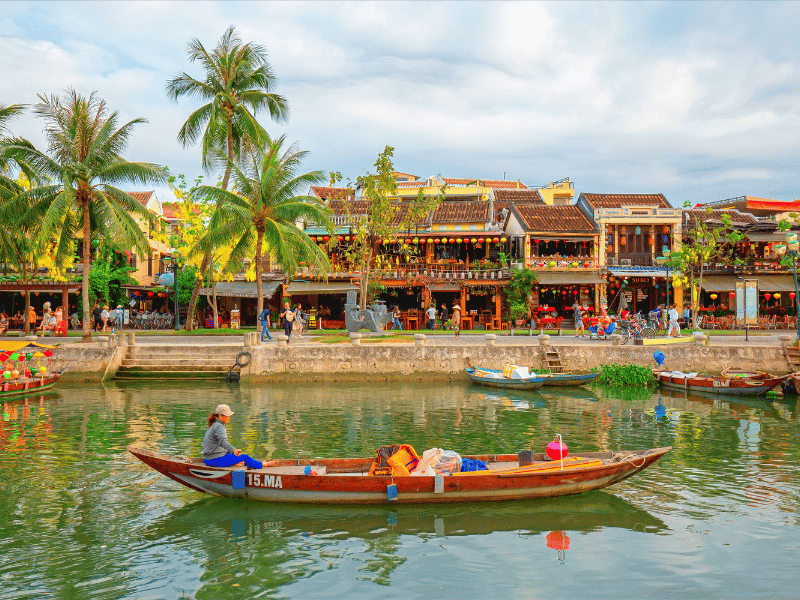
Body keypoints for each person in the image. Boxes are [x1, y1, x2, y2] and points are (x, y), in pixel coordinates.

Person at [202, 404, 277, 470]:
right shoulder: (219, 426)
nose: (229, 417)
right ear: (220, 415)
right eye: (227, 415)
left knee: (238, 458)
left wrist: (232, 452)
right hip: (214, 460)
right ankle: (265, 464)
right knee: (245, 457)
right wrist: (234, 450)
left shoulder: (214, 425)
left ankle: (234, 464)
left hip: (209, 459)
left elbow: (220, 445)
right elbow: (222, 441)